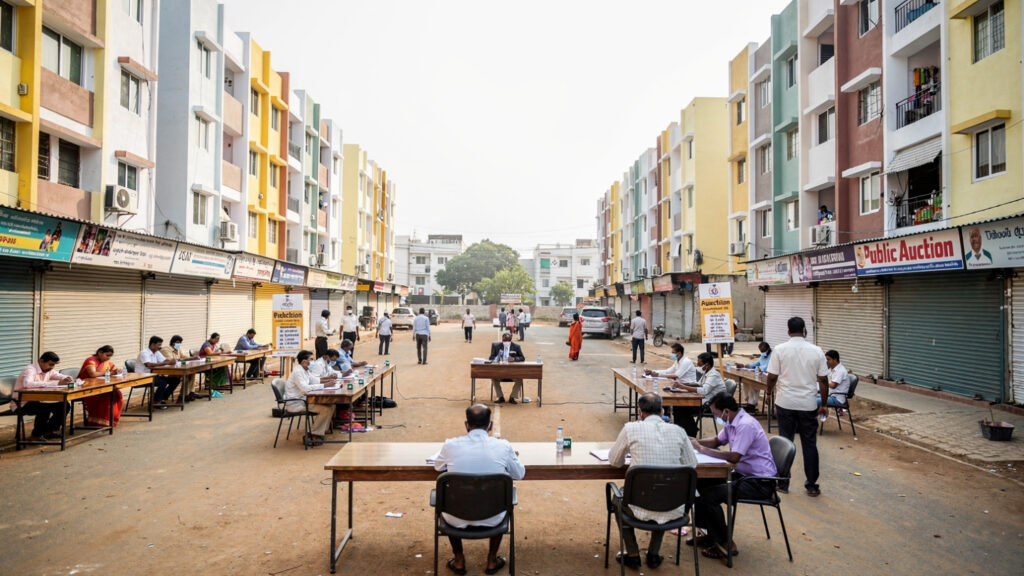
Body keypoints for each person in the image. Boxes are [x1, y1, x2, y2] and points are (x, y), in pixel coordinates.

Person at [433, 404, 525, 576]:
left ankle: (459, 559)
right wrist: (511, 457)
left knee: (448, 498)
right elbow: (519, 474)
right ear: (490, 426)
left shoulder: (450, 445)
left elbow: (438, 467)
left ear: (466, 425)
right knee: (502, 498)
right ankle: (492, 559)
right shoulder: (503, 446)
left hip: (455, 517)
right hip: (493, 516)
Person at [608, 393, 698, 570]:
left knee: (617, 500)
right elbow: (692, 464)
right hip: (674, 506)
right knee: (664, 494)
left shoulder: (630, 429)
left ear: (640, 412)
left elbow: (614, 461)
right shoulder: (679, 431)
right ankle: (654, 553)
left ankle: (632, 553)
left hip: (637, 506)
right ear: (662, 410)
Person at [691, 393, 777, 561]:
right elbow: (717, 441)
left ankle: (725, 542)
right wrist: (695, 441)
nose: (717, 418)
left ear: (726, 411)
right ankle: (710, 533)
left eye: (716, 414)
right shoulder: (732, 422)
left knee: (710, 495)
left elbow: (734, 457)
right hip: (744, 475)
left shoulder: (745, 425)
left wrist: (701, 450)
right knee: (701, 481)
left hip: (759, 483)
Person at [766, 316, 829, 497]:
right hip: (807, 404)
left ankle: (783, 483)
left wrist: (769, 393)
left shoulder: (779, 350)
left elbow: (771, 377)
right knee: (809, 444)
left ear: (788, 331)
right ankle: (811, 485)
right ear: (804, 330)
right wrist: (824, 404)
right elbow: (823, 380)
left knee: (785, 442)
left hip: (785, 403)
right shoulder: (816, 351)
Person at [12, 352, 72, 440]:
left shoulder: (48, 370)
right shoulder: (30, 369)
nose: (52, 367)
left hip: (38, 399)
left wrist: (67, 378)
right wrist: (55, 383)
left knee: (64, 405)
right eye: (50, 364)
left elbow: (59, 375)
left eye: (54, 365)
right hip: (22, 402)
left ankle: (49, 431)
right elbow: (27, 384)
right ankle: (36, 435)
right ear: (41, 361)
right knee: (44, 408)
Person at [283, 350, 336, 446]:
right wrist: (325, 386)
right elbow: (305, 389)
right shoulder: (298, 372)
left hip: (303, 400)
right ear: (304, 361)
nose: (313, 362)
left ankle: (321, 431)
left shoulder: (305, 370)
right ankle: (313, 434)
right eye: (311, 359)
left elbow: (315, 380)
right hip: (296, 403)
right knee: (326, 409)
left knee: (331, 405)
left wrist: (328, 380)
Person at [669, 352, 727, 438]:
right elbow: (698, 384)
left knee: (682, 406)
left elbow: (703, 391)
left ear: (707, 365)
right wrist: (682, 384)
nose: (697, 366)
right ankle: (683, 431)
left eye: (699, 364)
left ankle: (690, 432)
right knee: (678, 406)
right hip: (704, 400)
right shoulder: (706, 373)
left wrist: (682, 386)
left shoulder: (713, 375)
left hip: (711, 405)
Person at [78, 345, 124, 427]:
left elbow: (113, 368)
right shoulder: (90, 361)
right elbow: (93, 374)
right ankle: (97, 422)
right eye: (107, 355)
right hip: (87, 388)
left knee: (117, 394)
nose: (108, 358)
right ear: (100, 352)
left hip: (100, 386)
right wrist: (109, 373)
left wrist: (117, 370)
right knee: (106, 396)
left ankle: (110, 420)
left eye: (110, 356)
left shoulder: (105, 362)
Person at [137, 336, 179, 407]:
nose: (160, 347)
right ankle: (156, 401)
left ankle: (162, 398)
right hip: (143, 376)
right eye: (159, 345)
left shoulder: (156, 352)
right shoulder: (144, 353)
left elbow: (164, 360)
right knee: (163, 382)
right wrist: (166, 363)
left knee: (175, 380)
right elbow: (148, 365)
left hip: (154, 375)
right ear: (152, 344)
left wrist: (171, 361)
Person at [489, 332, 526, 404]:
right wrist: (498, 357)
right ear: (502, 339)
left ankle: (512, 397)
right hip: (500, 372)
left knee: (520, 379)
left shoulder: (516, 346)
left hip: (512, 373)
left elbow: (522, 358)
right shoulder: (496, 346)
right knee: (493, 377)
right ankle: (500, 397)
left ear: (511, 340)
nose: (506, 342)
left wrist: (514, 359)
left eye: (508, 341)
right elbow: (491, 357)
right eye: (505, 341)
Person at [734, 342, 771, 411]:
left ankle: (752, 404)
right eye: (761, 351)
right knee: (746, 381)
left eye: (763, 351)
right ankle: (749, 402)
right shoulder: (763, 355)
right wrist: (744, 365)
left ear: (768, 349)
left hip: (767, 378)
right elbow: (756, 363)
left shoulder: (772, 355)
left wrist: (759, 368)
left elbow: (767, 367)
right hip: (760, 375)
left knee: (753, 383)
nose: (762, 353)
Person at [161, 335, 199, 401]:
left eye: (180, 342)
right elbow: (171, 360)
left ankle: (189, 393)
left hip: (178, 369)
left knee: (192, 372)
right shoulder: (165, 349)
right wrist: (181, 359)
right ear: (172, 342)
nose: (178, 344)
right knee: (186, 374)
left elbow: (183, 356)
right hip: (168, 371)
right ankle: (183, 395)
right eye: (177, 342)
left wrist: (192, 358)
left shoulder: (178, 348)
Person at [820, 349, 851, 414]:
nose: (827, 362)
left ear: (835, 359)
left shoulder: (841, 371)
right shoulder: (831, 369)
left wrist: (822, 381)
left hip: (837, 399)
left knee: (813, 401)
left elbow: (833, 385)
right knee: (810, 397)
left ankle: (810, 421)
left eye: (828, 360)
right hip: (829, 395)